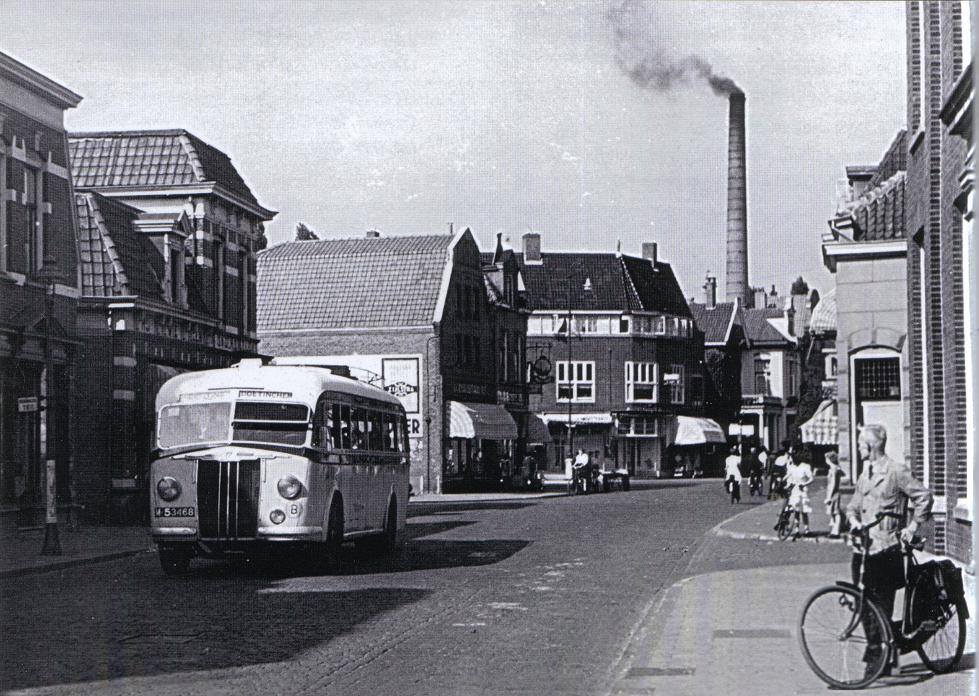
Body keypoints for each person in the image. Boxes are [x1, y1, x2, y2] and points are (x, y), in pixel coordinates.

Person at [846, 424, 932, 678]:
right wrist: (853, 520)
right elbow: (852, 506)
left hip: (887, 549)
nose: (858, 447)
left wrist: (913, 526)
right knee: (862, 604)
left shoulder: (896, 471)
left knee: (882, 606)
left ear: (871, 445)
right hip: (863, 550)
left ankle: (879, 658)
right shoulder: (865, 474)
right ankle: (883, 651)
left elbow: (923, 496)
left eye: (861, 443)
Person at [783, 451, 814, 536]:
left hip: (803, 490)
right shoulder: (792, 467)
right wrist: (783, 480)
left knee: (804, 511)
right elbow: (788, 475)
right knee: (796, 511)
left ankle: (807, 529)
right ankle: (796, 530)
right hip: (795, 490)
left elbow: (811, 478)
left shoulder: (805, 467)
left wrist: (804, 483)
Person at [824, 452, 844, 538]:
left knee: (836, 512)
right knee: (833, 512)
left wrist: (829, 497)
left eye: (826, 458)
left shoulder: (833, 469)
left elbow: (833, 483)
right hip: (834, 492)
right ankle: (834, 530)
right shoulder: (836, 468)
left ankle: (836, 531)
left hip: (833, 493)